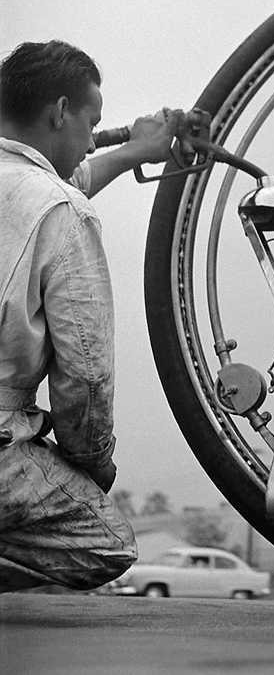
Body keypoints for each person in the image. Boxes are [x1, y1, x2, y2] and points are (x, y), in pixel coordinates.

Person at [0, 40, 183, 592]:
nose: (89, 140)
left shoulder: (42, 194)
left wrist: (134, 150)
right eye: (92, 123)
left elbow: (62, 179)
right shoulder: (62, 212)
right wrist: (91, 461)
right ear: (59, 112)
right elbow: (85, 373)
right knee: (106, 543)